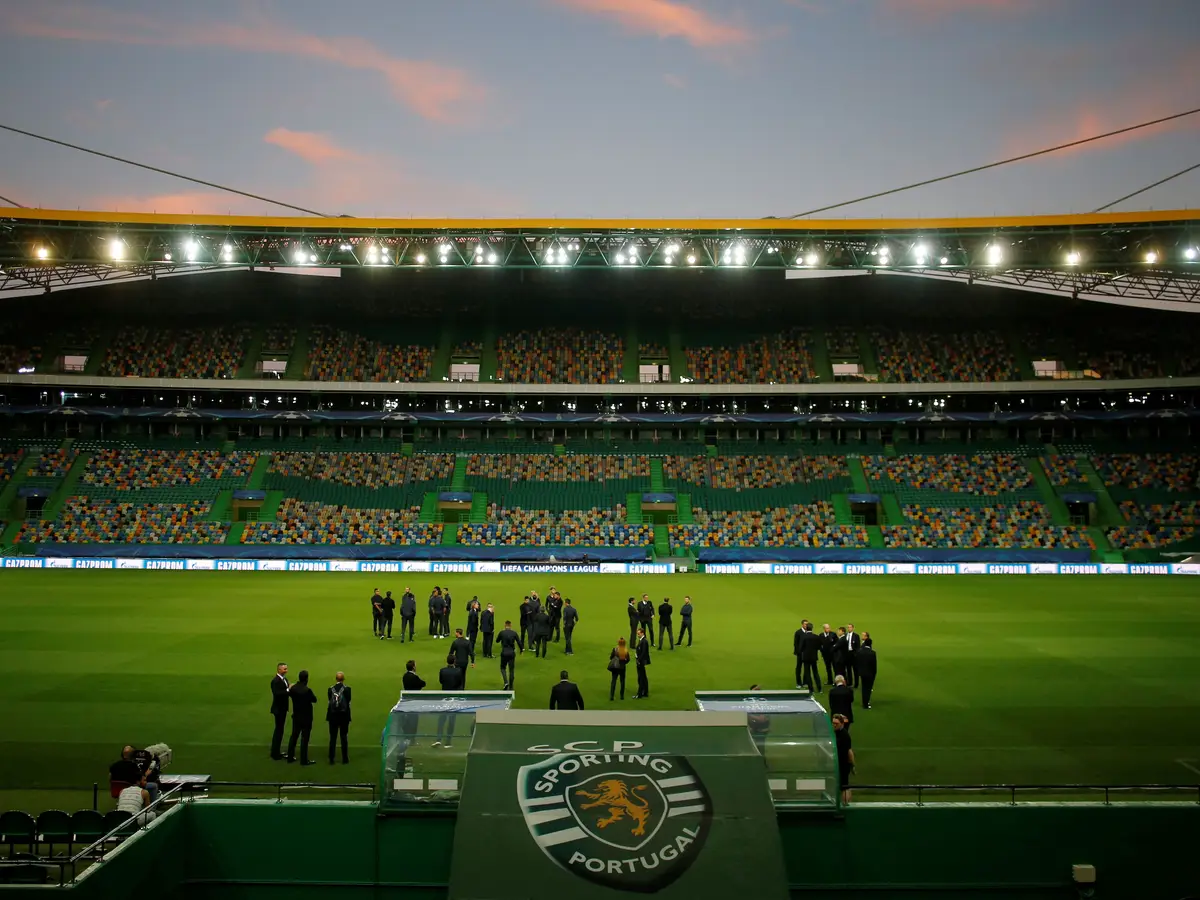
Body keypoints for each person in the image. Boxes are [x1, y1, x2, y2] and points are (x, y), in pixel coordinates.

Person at [286, 670, 317, 765]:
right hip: (306, 717)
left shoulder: (293, 689)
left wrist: (290, 687)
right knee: (305, 738)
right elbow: (314, 700)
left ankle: (290, 757)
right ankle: (304, 760)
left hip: (296, 716)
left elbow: (289, 693)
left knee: (294, 736)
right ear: (307, 679)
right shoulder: (307, 690)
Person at [435, 653, 463, 749]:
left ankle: (438, 739)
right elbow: (459, 683)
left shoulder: (442, 671)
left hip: (444, 697)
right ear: (454, 661)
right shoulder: (458, 671)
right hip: (453, 698)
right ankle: (448, 741)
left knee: (442, 718)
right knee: (451, 720)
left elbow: (441, 681)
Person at [326, 671, 352, 765]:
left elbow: (330, 700)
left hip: (332, 716)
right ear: (343, 679)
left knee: (333, 737)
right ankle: (345, 758)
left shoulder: (330, 689)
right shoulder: (347, 689)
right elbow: (348, 700)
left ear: (336, 679)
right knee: (344, 737)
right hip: (344, 716)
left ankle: (331, 758)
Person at [269, 662, 290, 760]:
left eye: (286, 668)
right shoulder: (276, 681)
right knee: (278, 730)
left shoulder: (284, 679)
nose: (286, 670)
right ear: (279, 670)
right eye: (284, 669)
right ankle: (275, 753)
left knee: (280, 730)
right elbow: (277, 694)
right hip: (278, 709)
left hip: (283, 708)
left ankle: (276, 751)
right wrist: (288, 690)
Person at [833, 714, 855, 805]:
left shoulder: (844, 736)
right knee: (843, 786)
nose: (834, 725)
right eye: (833, 723)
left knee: (844, 786)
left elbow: (849, 752)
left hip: (843, 764)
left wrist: (852, 765)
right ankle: (846, 804)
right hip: (840, 764)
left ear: (842, 723)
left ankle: (846, 805)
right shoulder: (838, 733)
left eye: (836, 723)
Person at [496, 619, 523, 690]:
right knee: (511, 670)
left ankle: (505, 682)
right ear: (510, 625)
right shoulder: (514, 633)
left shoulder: (502, 632)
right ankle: (511, 686)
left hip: (504, 652)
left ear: (505, 625)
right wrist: (521, 650)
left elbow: (497, 640)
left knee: (502, 668)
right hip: (511, 653)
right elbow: (519, 642)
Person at [799, 622, 823, 693]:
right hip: (813, 657)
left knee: (807, 673)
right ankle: (819, 688)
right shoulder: (816, 636)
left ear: (806, 628)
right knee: (815, 672)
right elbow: (819, 646)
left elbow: (800, 648)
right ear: (812, 628)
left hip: (806, 657)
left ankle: (811, 689)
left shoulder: (804, 637)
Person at [857, 635, 877, 709]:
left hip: (862, 673)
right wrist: (874, 674)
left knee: (864, 687)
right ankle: (866, 703)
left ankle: (864, 702)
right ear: (871, 644)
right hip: (870, 674)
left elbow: (857, 662)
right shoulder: (872, 653)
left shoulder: (860, 651)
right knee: (868, 689)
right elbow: (874, 665)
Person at [634, 627, 652, 699]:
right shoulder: (642, 640)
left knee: (641, 678)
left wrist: (638, 659)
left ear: (642, 633)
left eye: (638, 634)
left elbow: (644, 652)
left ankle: (640, 693)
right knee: (643, 677)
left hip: (641, 662)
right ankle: (645, 692)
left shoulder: (644, 641)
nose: (637, 635)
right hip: (641, 661)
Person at [844, 623, 861, 688]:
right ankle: (849, 682)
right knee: (848, 669)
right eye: (848, 627)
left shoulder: (856, 636)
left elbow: (858, 646)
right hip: (847, 654)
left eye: (850, 627)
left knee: (855, 670)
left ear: (853, 628)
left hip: (853, 654)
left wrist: (856, 654)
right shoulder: (845, 635)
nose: (849, 628)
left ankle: (856, 683)